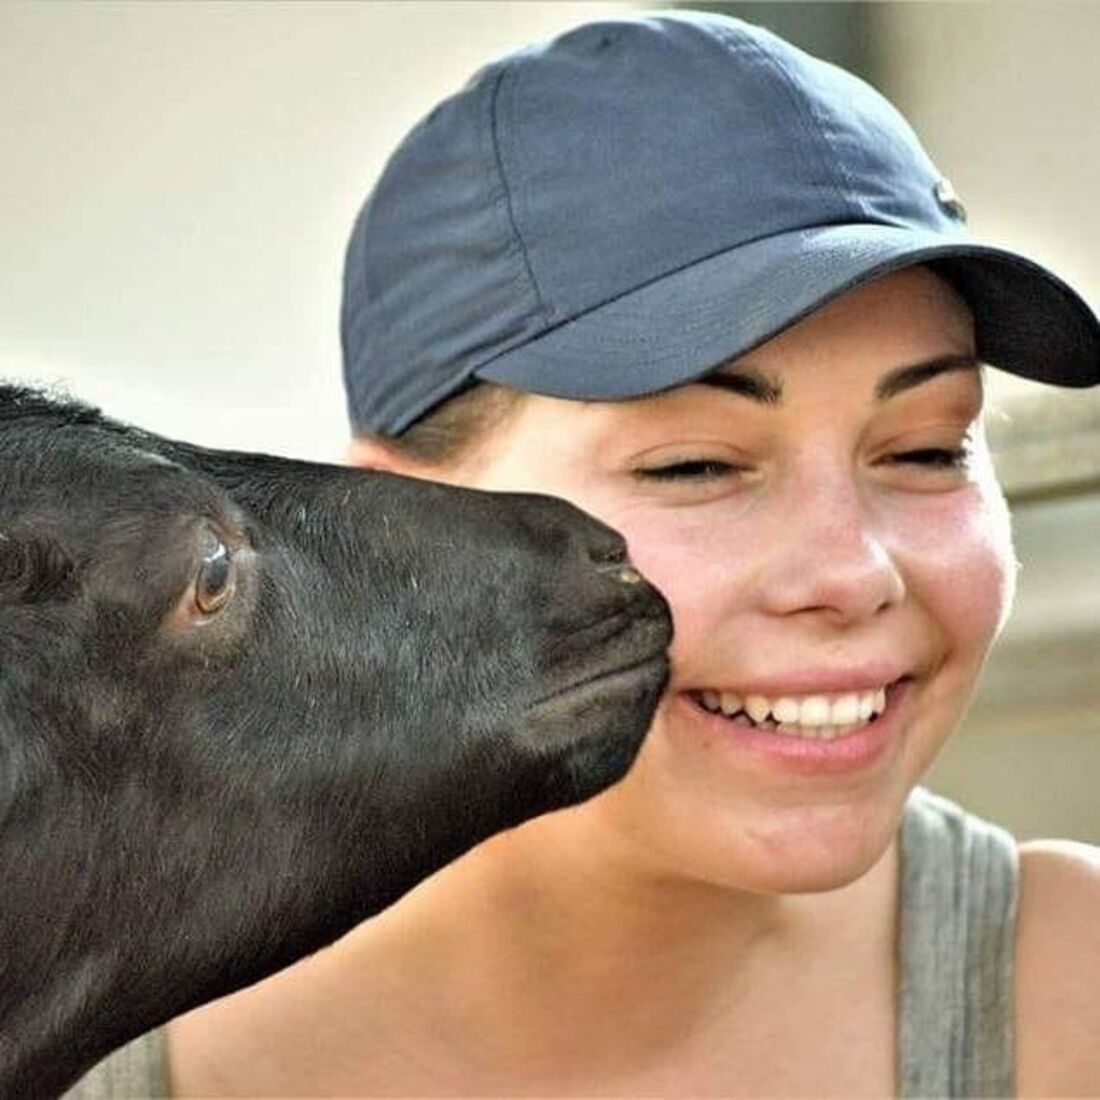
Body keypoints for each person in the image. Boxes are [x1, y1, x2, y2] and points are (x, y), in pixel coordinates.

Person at [72, 10, 1100, 1097]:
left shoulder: (1068, 1001)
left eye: (927, 448)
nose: (853, 574)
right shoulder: (71, 1036)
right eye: (696, 465)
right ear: (396, 540)